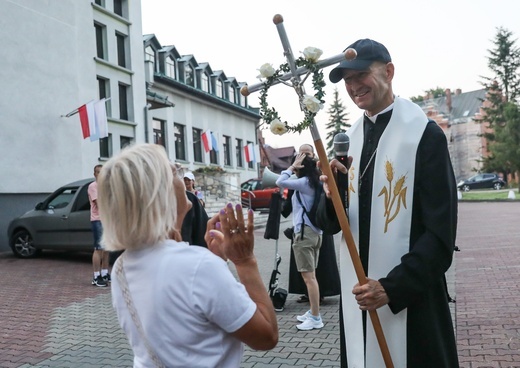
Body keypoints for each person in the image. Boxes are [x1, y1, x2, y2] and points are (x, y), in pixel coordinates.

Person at [320, 38, 459, 367]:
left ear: (389, 72)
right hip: (361, 302)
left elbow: (440, 234)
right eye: (347, 81)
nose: (354, 87)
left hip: (412, 299)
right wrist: (332, 198)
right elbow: (331, 224)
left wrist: (391, 288)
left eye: (360, 76)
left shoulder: (424, 135)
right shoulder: (347, 141)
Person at [97, 143, 278, 367]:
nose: (183, 179)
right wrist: (244, 261)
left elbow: (180, 329)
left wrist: (214, 260)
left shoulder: (121, 267)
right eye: (175, 172)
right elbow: (266, 337)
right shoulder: (198, 266)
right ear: (160, 193)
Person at [286, 144, 340, 304]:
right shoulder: (300, 178)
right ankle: (308, 293)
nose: (303, 156)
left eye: (307, 153)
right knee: (307, 268)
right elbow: (291, 203)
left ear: (313, 155)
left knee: (319, 265)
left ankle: (319, 296)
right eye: (301, 153)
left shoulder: (318, 174)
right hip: (308, 227)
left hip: (319, 224)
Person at [276, 152, 324, 330]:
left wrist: (291, 167)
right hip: (315, 233)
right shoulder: (314, 181)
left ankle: (316, 318)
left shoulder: (304, 183)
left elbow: (280, 182)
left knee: (309, 278)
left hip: (305, 234)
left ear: (301, 167)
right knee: (312, 276)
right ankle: (313, 311)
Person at [88, 164, 109, 287]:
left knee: (106, 248)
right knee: (98, 248)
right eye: (98, 172)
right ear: (94, 174)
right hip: (98, 220)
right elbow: (99, 202)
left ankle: (105, 273)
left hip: (106, 220)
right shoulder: (93, 186)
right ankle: (96, 276)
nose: (100, 174)